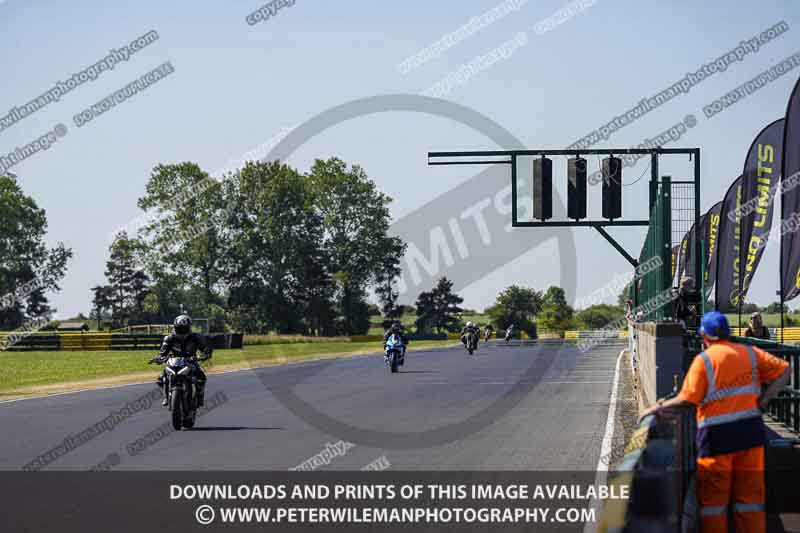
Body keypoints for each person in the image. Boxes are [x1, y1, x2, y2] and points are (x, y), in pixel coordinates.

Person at [641, 311, 790, 533]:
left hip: (716, 439)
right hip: (750, 435)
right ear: (728, 333)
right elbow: (785, 371)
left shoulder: (704, 361)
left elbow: (686, 400)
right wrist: (765, 399)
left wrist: (657, 408)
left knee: (714, 504)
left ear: (704, 335)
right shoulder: (750, 353)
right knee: (750, 501)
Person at [155, 314, 213, 407]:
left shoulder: (195, 337)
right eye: (179, 329)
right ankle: (166, 396)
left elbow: (205, 349)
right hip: (173, 362)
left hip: (191, 361)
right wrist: (159, 358)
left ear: (189, 328)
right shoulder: (169, 338)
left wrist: (204, 355)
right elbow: (162, 352)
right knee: (160, 379)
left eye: (184, 329)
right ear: (175, 327)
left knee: (201, 377)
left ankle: (199, 396)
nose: (182, 331)